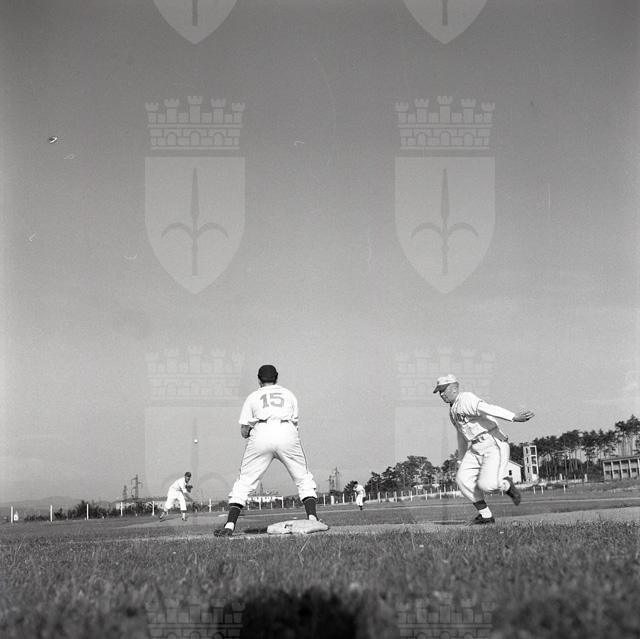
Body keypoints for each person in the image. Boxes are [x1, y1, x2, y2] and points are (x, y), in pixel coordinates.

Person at [214, 364, 321, 537]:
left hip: (261, 432)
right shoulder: (289, 394)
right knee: (303, 478)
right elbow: (295, 423)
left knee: (244, 482)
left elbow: (244, 431)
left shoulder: (253, 397)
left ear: (259, 380)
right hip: (286, 431)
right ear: (276, 378)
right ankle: (313, 518)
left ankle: (230, 525)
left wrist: (254, 432)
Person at [433, 374, 534, 525]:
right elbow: (461, 435)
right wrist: (461, 459)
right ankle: (486, 516)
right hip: (475, 447)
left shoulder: (466, 399)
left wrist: (513, 417)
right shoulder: (452, 411)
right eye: (439, 391)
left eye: (443, 390)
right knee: (463, 480)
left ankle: (506, 485)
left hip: (492, 442)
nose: (441, 394)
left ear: (454, 388)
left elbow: (488, 408)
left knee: (488, 485)